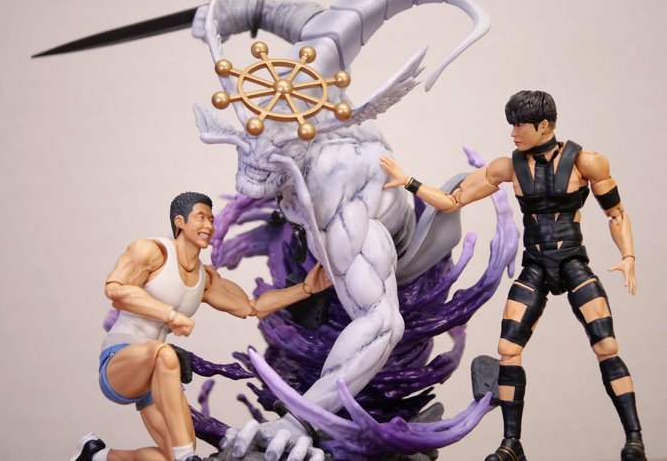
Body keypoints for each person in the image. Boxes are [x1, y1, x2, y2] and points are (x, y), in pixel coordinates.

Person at [380, 91, 646, 461]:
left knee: (605, 346)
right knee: (508, 350)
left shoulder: (586, 161)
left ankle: (634, 438)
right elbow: (453, 200)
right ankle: (511, 444)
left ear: (544, 125)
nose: (513, 133)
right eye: (512, 125)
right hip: (535, 265)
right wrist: (409, 181)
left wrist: (628, 256)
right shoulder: (508, 167)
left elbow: (616, 213)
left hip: (572, 262)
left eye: (520, 125)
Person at [70, 192, 331, 461]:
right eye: (201, 217)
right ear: (180, 222)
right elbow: (116, 289)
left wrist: (306, 288)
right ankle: (186, 457)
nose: (208, 226)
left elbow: (253, 307)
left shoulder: (204, 278)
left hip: (158, 378)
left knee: (168, 456)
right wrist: (170, 315)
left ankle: (96, 456)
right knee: (165, 355)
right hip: (121, 361)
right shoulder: (151, 252)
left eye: (211, 220)